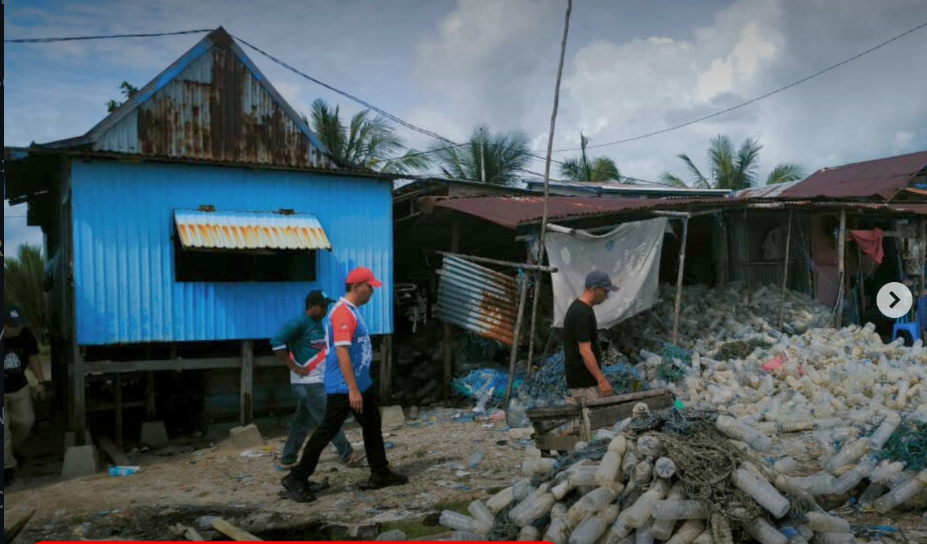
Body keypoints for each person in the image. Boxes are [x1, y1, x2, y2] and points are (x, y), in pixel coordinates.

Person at [282, 267, 408, 502]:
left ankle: (380, 472)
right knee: (327, 430)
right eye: (370, 287)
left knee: (372, 425)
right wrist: (352, 389)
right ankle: (297, 478)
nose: (372, 292)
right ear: (357, 286)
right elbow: (342, 353)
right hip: (344, 386)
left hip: (361, 383)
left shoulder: (354, 310)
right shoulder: (342, 313)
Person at [271, 291, 365, 470]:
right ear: (311, 306)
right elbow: (276, 341)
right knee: (329, 419)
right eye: (322, 306)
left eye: (326, 306)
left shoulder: (318, 324)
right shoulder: (299, 323)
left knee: (301, 422)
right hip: (307, 383)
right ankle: (348, 454)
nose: (325, 309)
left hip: (314, 382)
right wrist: (294, 367)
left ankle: (288, 458)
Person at [4, 305, 47, 483]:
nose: (16, 330)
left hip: (19, 386)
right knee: (3, 429)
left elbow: (32, 357)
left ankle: (9, 455)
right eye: (12, 326)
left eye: (19, 326)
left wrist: (41, 382)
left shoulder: (24, 334)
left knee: (25, 422)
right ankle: (7, 468)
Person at [562, 271, 618, 405]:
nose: (606, 296)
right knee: (592, 421)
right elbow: (585, 351)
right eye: (604, 291)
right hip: (583, 382)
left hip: (587, 379)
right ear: (594, 289)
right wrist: (601, 380)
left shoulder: (584, 309)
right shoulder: (581, 313)